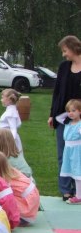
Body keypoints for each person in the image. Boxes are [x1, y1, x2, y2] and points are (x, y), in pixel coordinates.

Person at [48, 35, 81, 201]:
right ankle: (66, 190)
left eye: (65, 50)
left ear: (73, 48)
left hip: (80, 121)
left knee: (78, 155)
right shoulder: (63, 67)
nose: (64, 54)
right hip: (63, 118)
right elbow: (57, 93)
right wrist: (52, 115)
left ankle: (78, 190)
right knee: (64, 154)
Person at [0, 150, 40, 226]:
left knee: (1, 197)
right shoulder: (11, 171)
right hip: (33, 198)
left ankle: (19, 217)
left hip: (28, 204)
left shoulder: (4, 180)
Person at [60, 99, 81, 204]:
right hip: (68, 151)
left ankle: (78, 196)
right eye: (69, 111)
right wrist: (68, 114)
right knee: (73, 172)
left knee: (78, 173)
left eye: (74, 110)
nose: (70, 113)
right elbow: (59, 118)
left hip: (77, 151)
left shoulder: (79, 125)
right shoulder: (68, 123)